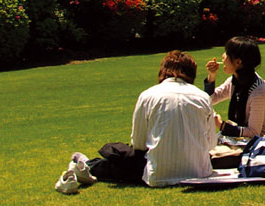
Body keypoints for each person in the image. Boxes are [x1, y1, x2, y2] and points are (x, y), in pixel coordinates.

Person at [55, 50, 217, 193]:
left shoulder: (149, 95)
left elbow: (139, 144)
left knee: (120, 158)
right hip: (199, 172)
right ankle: (89, 164)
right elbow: (211, 144)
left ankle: (89, 165)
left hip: (158, 174)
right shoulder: (202, 97)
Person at [204, 36, 265, 138]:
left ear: (238, 62)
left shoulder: (259, 93)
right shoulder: (235, 81)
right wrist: (212, 75)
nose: (223, 57)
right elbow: (210, 100)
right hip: (237, 142)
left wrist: (221, 125)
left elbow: (254, 133)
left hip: (257, 148)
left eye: (227, 54)